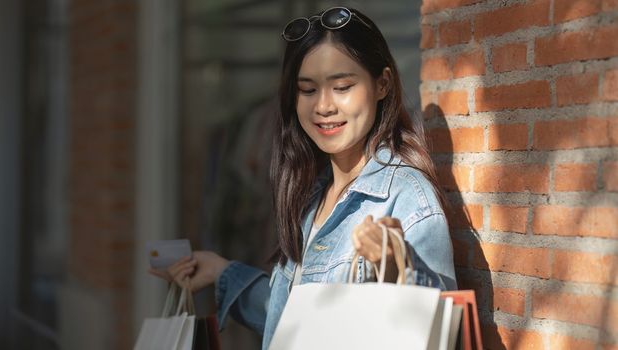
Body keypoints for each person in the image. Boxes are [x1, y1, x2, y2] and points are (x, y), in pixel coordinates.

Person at [149, 6, 456, 349]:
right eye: (307, 90)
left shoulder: (406, 198)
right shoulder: (313, 192)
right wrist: (223, 274)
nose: (323, 106)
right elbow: (296, 321)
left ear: (382, 84)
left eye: (342, 87)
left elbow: (432, 327)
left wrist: (396, 268)